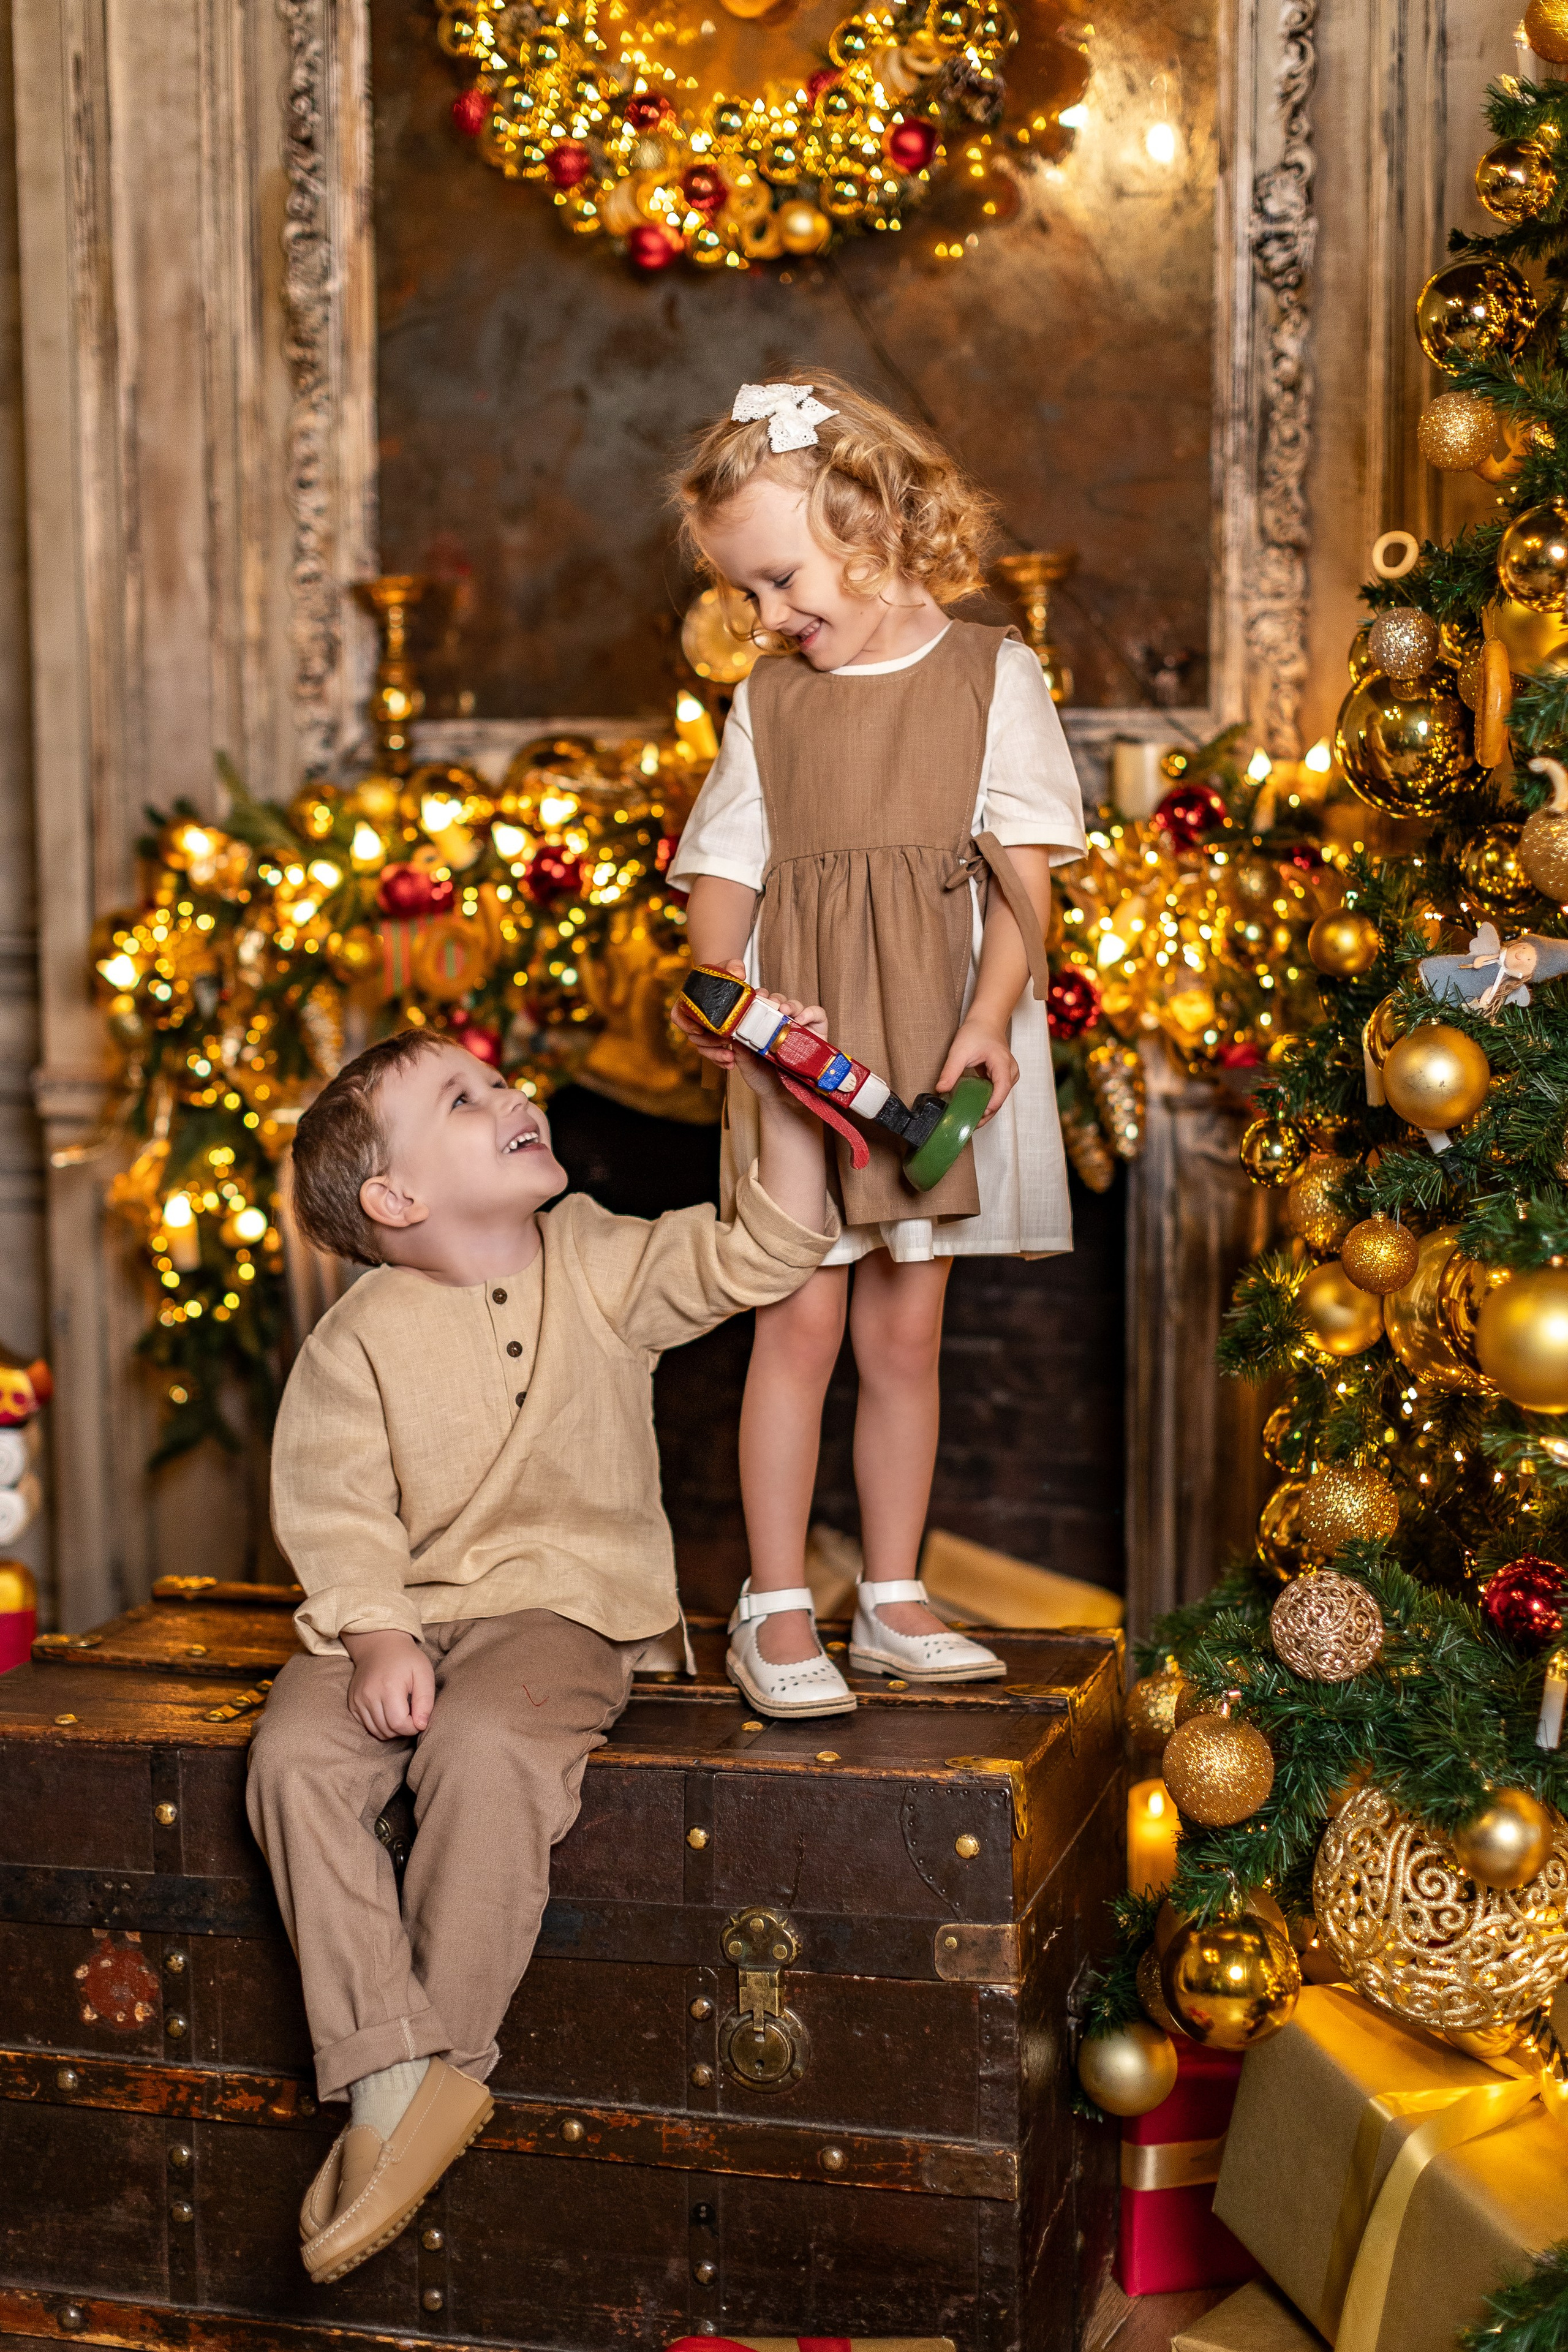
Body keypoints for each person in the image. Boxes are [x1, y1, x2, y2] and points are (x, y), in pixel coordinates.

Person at [247, 1019, 835, 2285]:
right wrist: (378, 1628)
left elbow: (765, 1247)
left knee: (489, 1744)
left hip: (564, 1607)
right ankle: (392, 2071)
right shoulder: (355, 1342)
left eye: (495, 1081)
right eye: (463, 1099)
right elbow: (335, 1503)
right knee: (292, 1761)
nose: (509, 1094)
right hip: (393, 1607)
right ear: (394, 1198)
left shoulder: (602, 1259)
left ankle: (432, 2074)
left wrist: (784, 1101)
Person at [668, 370, 1087, 1721]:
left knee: (907, 1337)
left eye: (783, 581)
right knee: (793, 1325)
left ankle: (893, 1595)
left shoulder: (990, 673)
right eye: (745, 595)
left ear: (875, 527)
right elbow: (724, 865)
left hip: (929, 1046)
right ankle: (775, 1602)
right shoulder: (769, 705)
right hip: (813, 1055)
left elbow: (1024, 883)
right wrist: (723, 989)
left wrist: (985, 1022)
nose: (766, 618)